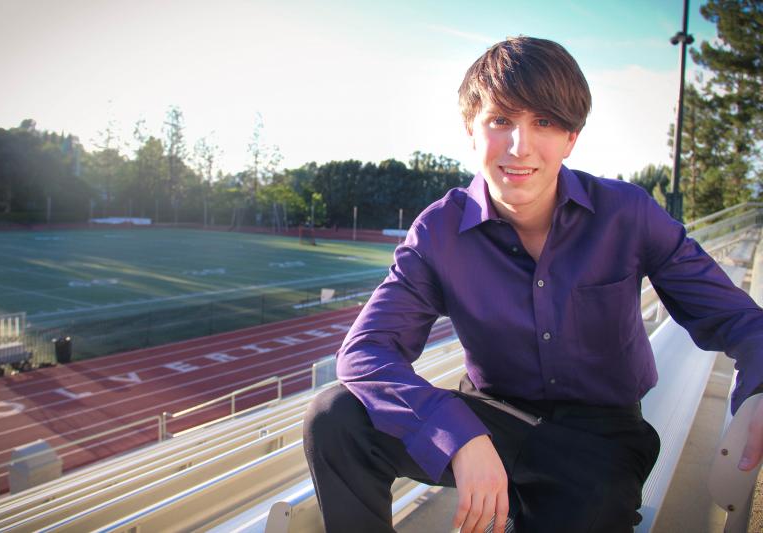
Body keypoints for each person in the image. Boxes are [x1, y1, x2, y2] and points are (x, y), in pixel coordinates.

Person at [303, 36, 763, 533]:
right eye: (501, 120)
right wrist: (458, 436)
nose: (519, 147)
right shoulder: (439, 230)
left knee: (591, 505)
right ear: (471, 130)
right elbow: (366, 351)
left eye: (543, 122)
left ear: (571, 138)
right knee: (335, 415)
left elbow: (738, 319)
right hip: (492, 419)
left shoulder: (627, 214)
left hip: (599, 436)